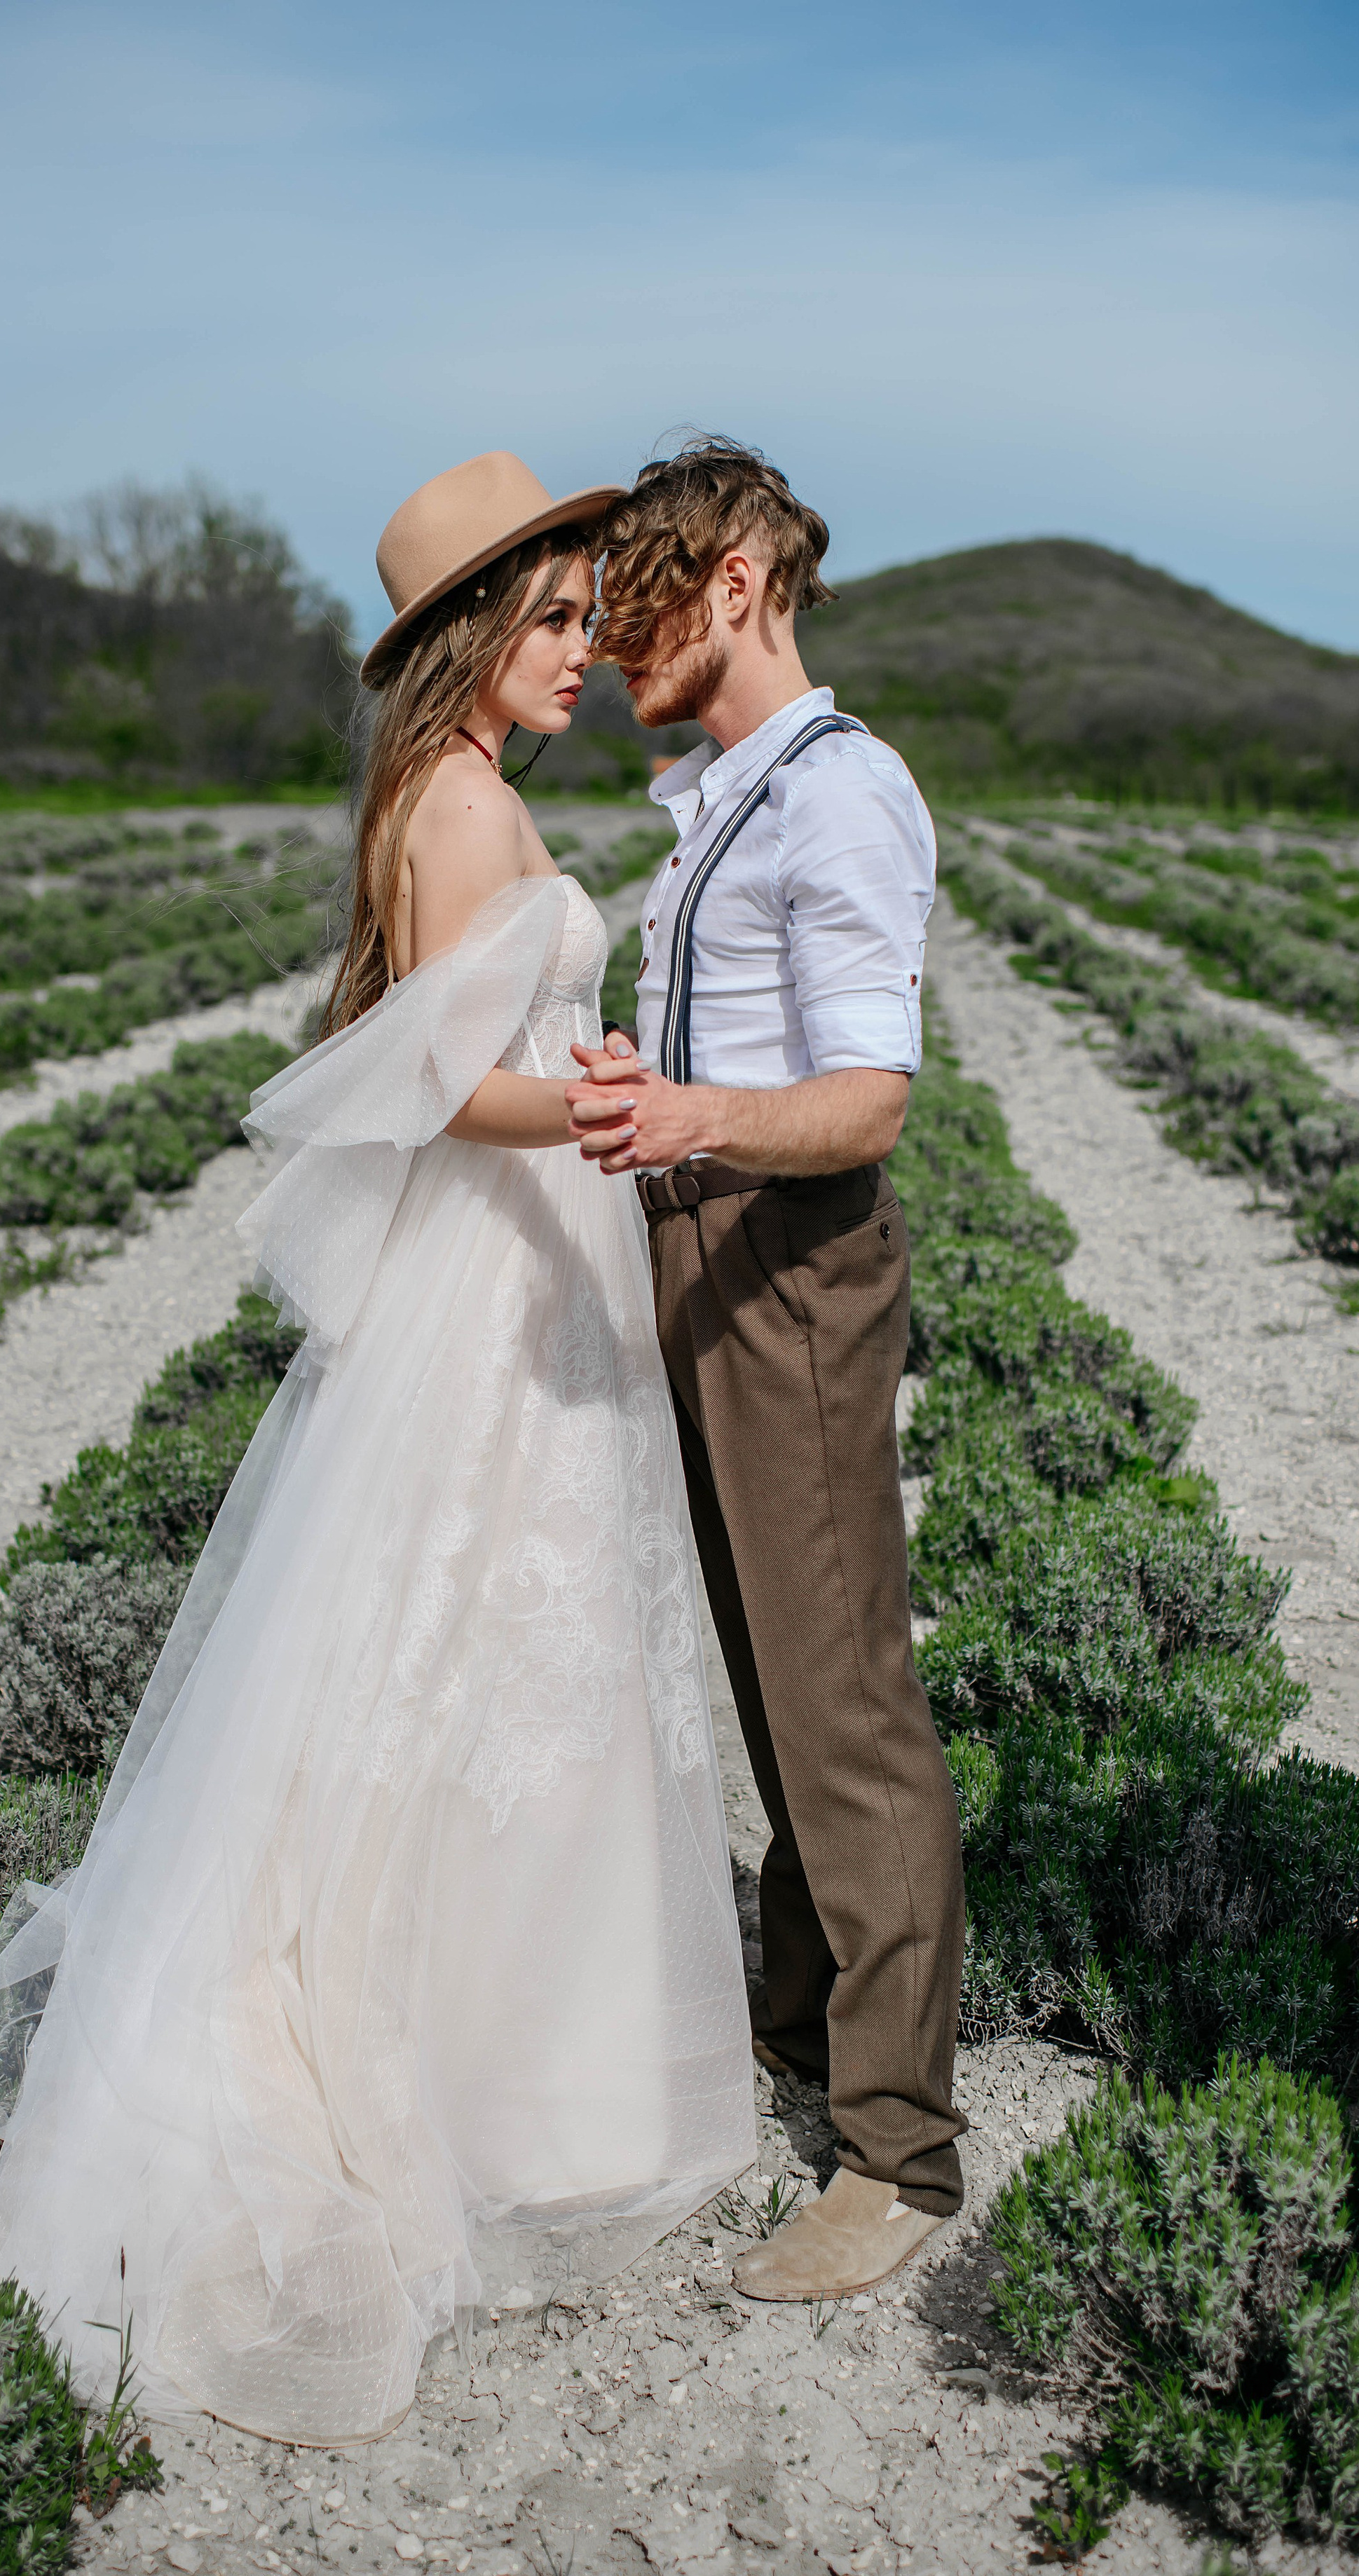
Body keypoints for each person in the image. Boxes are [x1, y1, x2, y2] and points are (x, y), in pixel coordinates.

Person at [0, 452, 755, 2448]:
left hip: (515, 1269)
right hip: (500, 1275)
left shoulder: (445, 795)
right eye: (560, 619)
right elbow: (419, 1080)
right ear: (477, 636)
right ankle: (490, 2091)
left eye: (590, 619)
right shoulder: (463, 801)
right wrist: (596, 1103)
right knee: (485, 1647)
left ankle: (536, 2068)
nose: (588, 651)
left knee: (502, 1656)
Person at [564, 434, 967, 2301]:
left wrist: (687, 1116)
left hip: (788, 1258)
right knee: (766, 1673)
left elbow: (870, 1101)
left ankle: (896, 2154)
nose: (608, 628)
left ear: (741, 581)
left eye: (643, 585)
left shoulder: (844, 795)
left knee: (843, 1704)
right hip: (707, 1231)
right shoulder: (733, 789)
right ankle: (803, 2028)